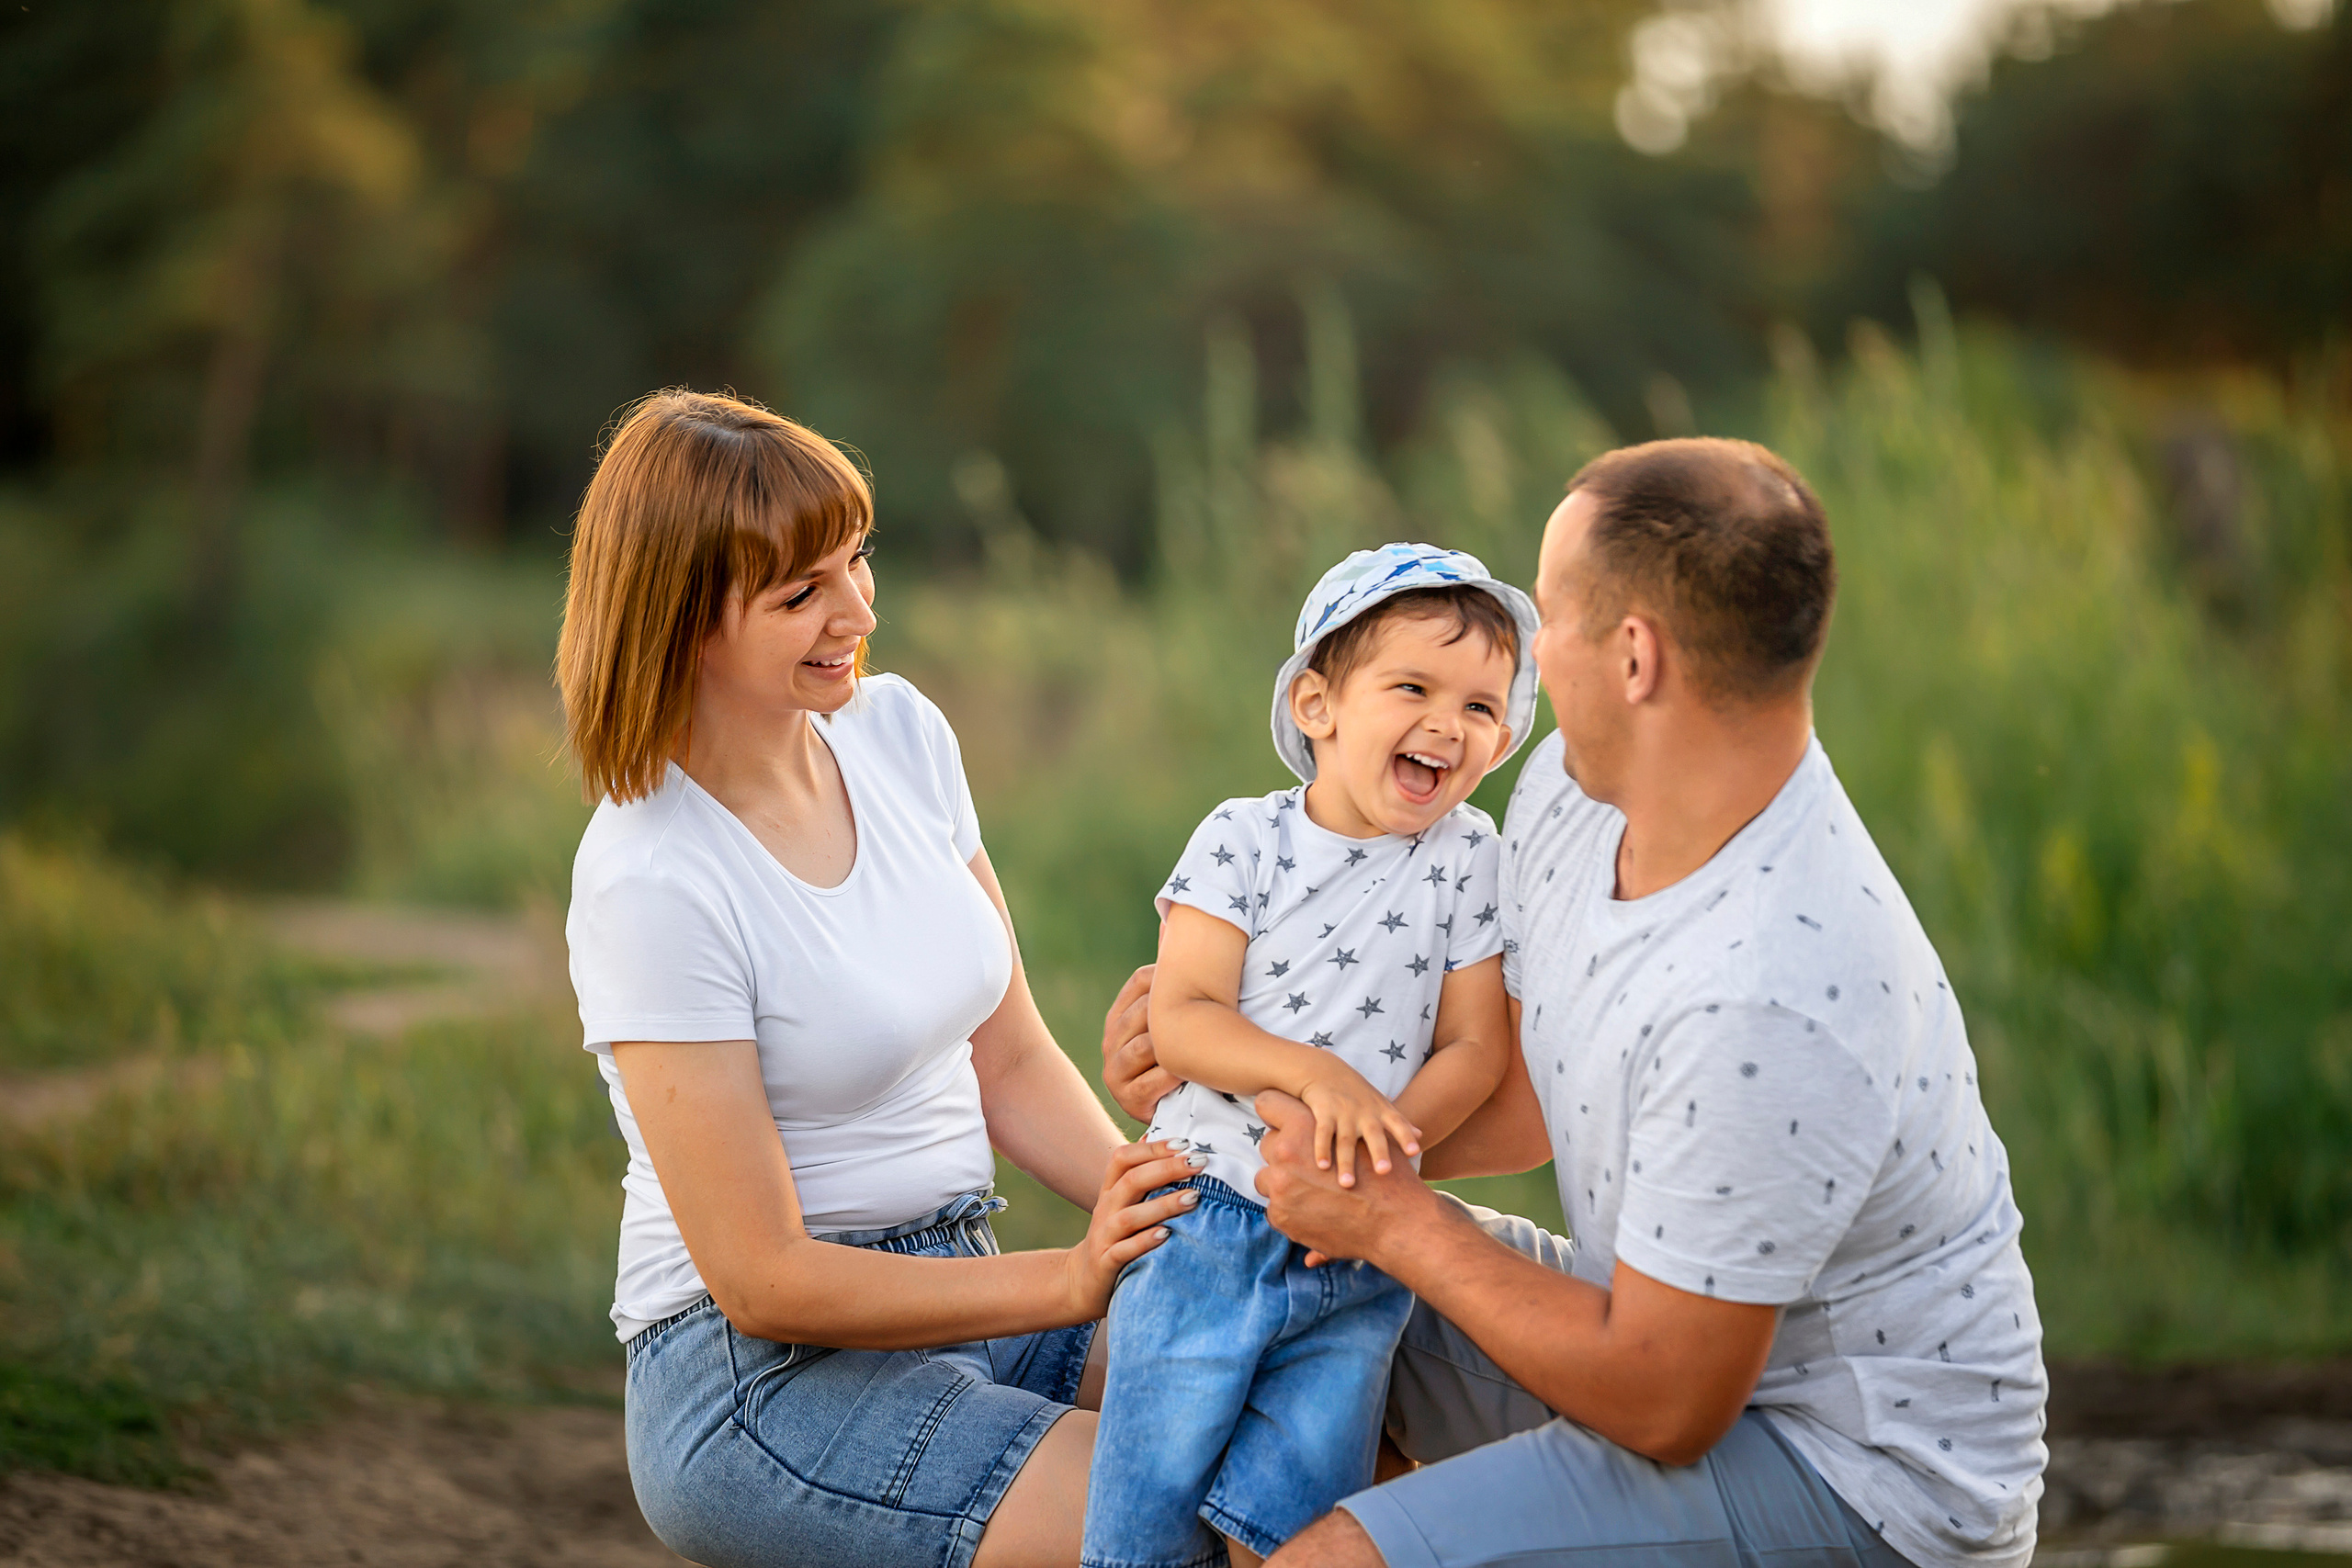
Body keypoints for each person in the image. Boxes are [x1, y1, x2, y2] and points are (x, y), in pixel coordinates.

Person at [1107, 438, 2049, 1568]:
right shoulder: (1569, 794)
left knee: (1331, 1557)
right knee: (1254, 1300)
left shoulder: (1773, 988)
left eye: (1546, 619)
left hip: (1856, 1478)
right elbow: (1525, 1094)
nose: (1531, 660)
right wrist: (1242, 1104)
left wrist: (1387, 1216)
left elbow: (1665, 1405)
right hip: (1656, 1330)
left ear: (1635, 656)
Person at [556, 389, 1199, 1568]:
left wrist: (1170, 1209)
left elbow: (1006, 1059)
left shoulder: (896, 731)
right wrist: (1070, 1278)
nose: (855, 609)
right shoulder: (651, 873)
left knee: (1309, 1450)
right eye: (799, 593)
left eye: (855, 562)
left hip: (966, 1279)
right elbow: (763, 1279)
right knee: (1191, 1529)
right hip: (763, 1383)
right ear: (679, 619)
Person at [1083, 545, 1539, 1568]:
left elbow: (1474, 1044)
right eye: (1412, 687)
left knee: (1294, 1515)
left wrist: (1389, 1148)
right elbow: (1186, 1018)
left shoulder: (1471, 859)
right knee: (1149, 1498)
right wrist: (1317, 1076)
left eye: (1479, 707)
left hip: (1357, 1241)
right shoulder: (1246, 839)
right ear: (1317, 705)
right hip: (1206, 1219)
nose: (1446, 724)